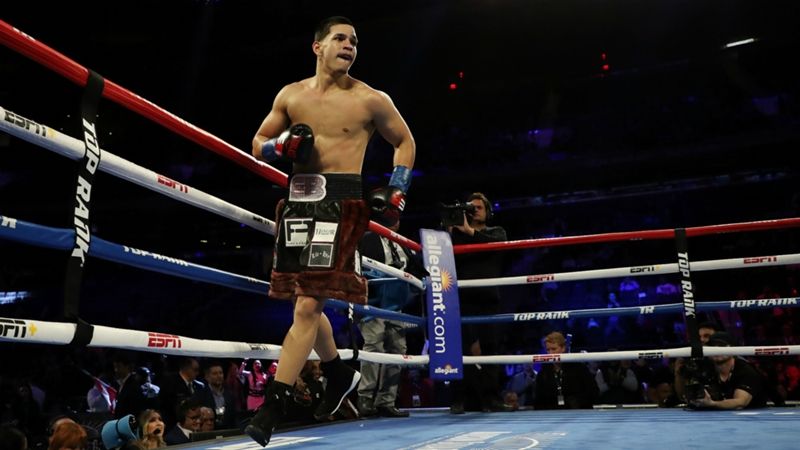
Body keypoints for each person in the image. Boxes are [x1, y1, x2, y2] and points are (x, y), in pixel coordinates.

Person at [245, 15, 415, 447]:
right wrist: (279, 147)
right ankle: (339, 373)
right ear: (317, 46)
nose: (349, 45)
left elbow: (405, 142)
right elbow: (258, 143)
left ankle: (272, 405)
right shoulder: (291, 95)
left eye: (354, 41)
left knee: (305, 307)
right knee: (305, 299)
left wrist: (397, 188)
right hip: (298, 201)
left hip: (341, 204)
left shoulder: (370, 99)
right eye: (340, 38)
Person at [447, 192, 512, 414]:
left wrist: (467, 231)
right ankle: (459, 399)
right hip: (461, 297)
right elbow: (439, 253)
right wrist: (448, 228)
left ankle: (491, 399)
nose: (475, 210)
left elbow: (497, 245)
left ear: (488, 211)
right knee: (459, 350)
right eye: (471, 207)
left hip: (488, 298)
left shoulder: (497, 232)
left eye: (480, 207)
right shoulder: (457, 235)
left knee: (490, 349)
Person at [356, 220, 426, 418]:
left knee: (398, 350)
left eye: (398, 216)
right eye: (392, 215)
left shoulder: (401, 243)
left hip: (396, 306)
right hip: (373, 304)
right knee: (374, 345)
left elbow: (417, 269)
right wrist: (385, 271)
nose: (396, 220)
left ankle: (387, 400)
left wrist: (421, 281)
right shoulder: (369, 237)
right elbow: (358, 266)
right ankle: (365, 397)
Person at [687, 331, 767, 410]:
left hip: (751, 418)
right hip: (716, 417)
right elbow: (687, 397)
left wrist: (711, 404)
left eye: (721, 346)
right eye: (712, 346)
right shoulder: (706, 369)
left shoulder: (745, 370)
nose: (716, 349)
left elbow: (740, 402)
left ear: (732, 349)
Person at [534, 332, 598, 410]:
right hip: (553, 417)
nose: (551, 353)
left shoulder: (579, 369)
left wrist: (576, 402)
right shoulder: (543, 373)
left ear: (563, 348)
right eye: (548, 350)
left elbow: (594, 393)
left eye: (554, 349)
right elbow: (538, 401)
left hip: (578, 415)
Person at [158, 357, 202, 429]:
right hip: (174, 425)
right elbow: (165, 405)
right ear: (185, 369)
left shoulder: (198, 386)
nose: (197, 373)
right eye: (195, 370)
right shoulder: (170, 382)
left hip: (195, 424)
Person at [195, 361, 238, 429]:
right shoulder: (200, 395)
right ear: (207, 377)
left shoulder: (230, 395)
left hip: (228, 433)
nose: (219, 376)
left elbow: (234, 417)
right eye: (215, 374)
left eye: (220, 373)